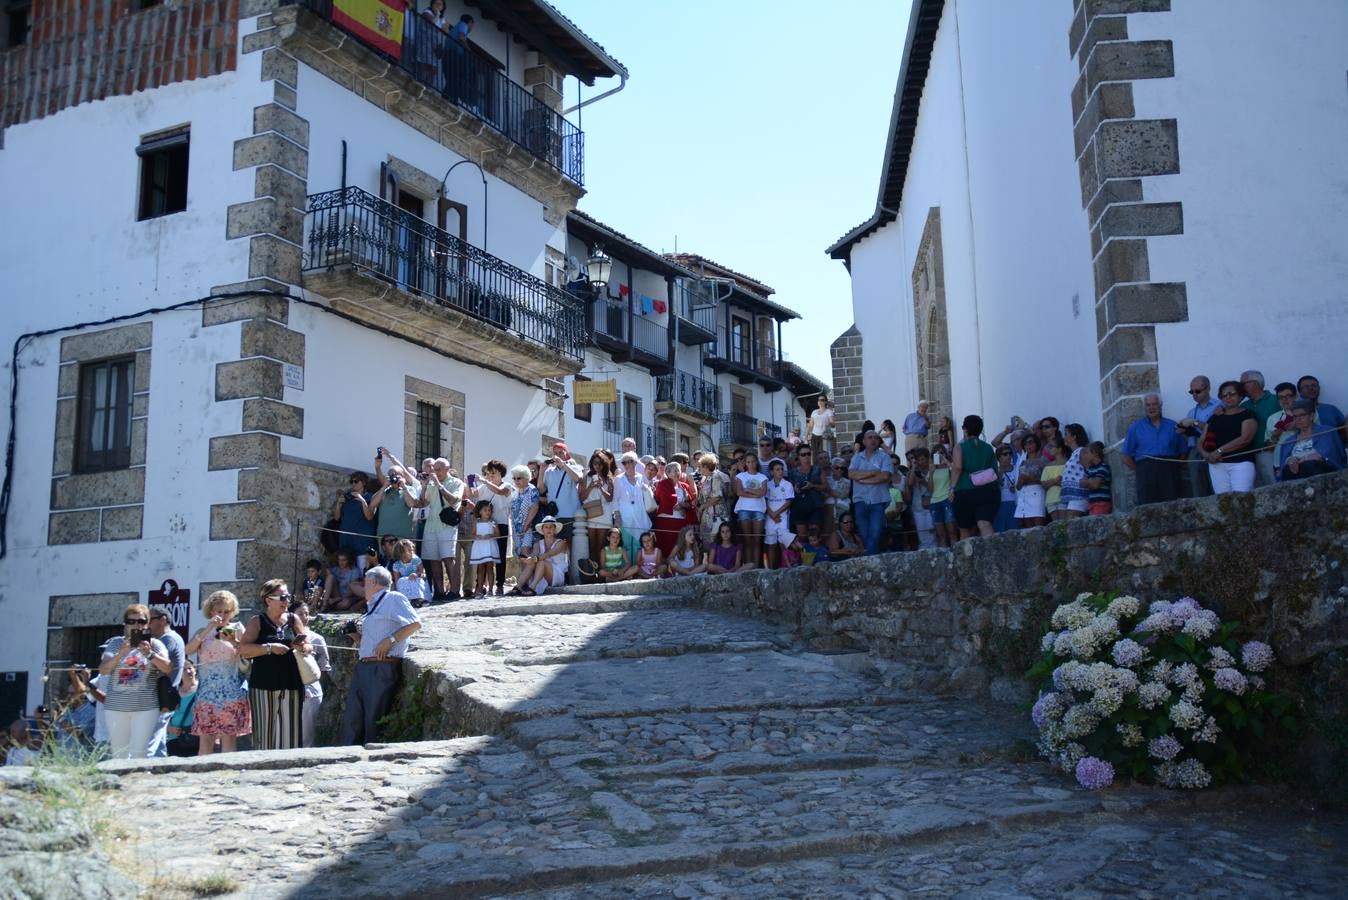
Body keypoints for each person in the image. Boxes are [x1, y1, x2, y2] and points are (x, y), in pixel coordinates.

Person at [340, 567, 421, 746]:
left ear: (374, 583)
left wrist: (391, 640)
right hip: (365, 666)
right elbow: (370, 643)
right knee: (353, 719)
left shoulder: (393, 598)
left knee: (373, 720)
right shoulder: (371, 606)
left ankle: (371, 762)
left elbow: (415, 624)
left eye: (365, 583)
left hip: (382, 667)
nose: (363, 587)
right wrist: (355, 635)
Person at [239, 580, 311, 751]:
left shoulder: (294, 619)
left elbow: (308, 645)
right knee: (264, 735)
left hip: (291, 683)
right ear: (268, 600)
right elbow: (244, 649)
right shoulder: (257, 621)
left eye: (288, 596)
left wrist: (302, 647)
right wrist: (269, 648)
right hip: (263, 684)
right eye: (282, 597)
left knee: (291, 734)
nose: (287, 601)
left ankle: (290, 771)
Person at [99, 604, 172, 759]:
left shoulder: (155, 644)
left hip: (145, 707)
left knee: (140, 752)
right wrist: (121, 654)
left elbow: (167, 668)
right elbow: (103, 670)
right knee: (119, 753)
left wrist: (150, 654)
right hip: (116, 706)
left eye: (141, 621)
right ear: (125, 624)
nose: (136, 625)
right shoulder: (116, 643)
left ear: (147, 624)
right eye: (131, 621)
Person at [184, 590, 250, 756]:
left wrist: (233, 641)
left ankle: (228, 778)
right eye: (219, 611)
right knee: (206, 740)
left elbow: (247, 653)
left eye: (227, 611)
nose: (223, 615)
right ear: (211, 611)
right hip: (207, 693)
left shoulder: (237, 628)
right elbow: (188, 650)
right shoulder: (202, 631)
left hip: (231, 692)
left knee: (228, 740)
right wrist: (209, 629)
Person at [1121, 393, 1186, 505]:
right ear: (1144, 408)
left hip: (1169, 470)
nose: (1152, 407)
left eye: (1155, 404)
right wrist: (1141, 470)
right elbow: (1125, 456)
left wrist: (1174, 467)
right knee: (1147, 507)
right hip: (1145, 471)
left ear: (1160, 405)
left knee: (1171, 504)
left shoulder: (1173, 425)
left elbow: (1183, 451)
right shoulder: (1135, 428)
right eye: (1148, 405)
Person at [416, 458, 466, 603]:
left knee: (448, 559)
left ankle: (455, 590)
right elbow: (423, 503)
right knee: (433, 560)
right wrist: (425, 486)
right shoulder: (431, 483)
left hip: (447, 526)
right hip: (431, 525)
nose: (435, 472)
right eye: (434, 469)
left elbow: (454, 500)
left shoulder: (457, 483)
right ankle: (439, 591)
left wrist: (438, 485)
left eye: (438, 469)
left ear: (447, 468)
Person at [1199, 380, 1257, 494]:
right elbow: (1201, 440)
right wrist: (1206, 455)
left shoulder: (1248, 414)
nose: (1228, 397)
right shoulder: (1214, 417)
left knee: (1242, 498)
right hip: (1217, 465)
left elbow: (1245, 439)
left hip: (1241, 464)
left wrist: (1219, 451)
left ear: (1240, 396)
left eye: (1232, 394)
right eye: (1224, 395)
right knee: (1222, 501)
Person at [948, 415, 1000, 539]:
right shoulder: (988, 447)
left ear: (965, 429)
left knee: (964, 529)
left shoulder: (960, 447)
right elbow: (994, 469)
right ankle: (991, 554)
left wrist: (951, 488)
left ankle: (966, 557)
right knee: (985, 524)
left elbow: (958, 467)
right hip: (988, 490)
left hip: (965, 490)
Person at [145, 604, 185, 757]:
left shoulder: (167, 639)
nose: (146, 624)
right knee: (159, 742)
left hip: (161, 696)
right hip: (164, 696)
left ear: (163, 620)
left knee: (149, 742)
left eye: (149, 620)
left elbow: (160, 666)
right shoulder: (172, 638)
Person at [291, 600, 330, 749]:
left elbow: (324, 667)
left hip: (310, 690)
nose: (304, 617)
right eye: (300, 613)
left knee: (307, 735)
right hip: (288, 689)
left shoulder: (316, 638)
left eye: (306, 613)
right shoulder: (283, 635)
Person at [848, 430, 894, 555]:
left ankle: (870, 559)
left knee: (875, 533)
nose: (873, 440)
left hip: (877, 501)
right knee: (864, 533)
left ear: (879, 441)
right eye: (869, 437)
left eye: (875, 437)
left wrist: (863, 479)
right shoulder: (856, 457)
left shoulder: (884, 457)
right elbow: (851, 474)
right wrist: (872, 473)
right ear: (864, 441)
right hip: (860, 501)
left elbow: (884, 476)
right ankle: (873, 558)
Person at [1278, 399, 1346, 480]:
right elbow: (1283, 466)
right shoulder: (1288, 441)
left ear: (1311, 416)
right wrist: (1289, 460)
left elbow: (1333, 455)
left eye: (1302, 415)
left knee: (1310, 465)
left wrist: (1309, 457)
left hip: (1321, 472)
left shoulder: (1327, 432)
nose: (1298, 419)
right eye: (1295, 416)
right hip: (1296, 475)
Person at [475, 460, 515, 596]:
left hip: (501, 524)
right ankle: (480, 586)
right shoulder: (485, 487)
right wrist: (469, 484)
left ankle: (499, 585)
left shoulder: (507, 485)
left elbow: (500, 491)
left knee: (500, 556)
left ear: (500, 474)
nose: (490, 475)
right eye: (489, 473)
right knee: (484, 556)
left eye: (493, 473)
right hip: (485, 525)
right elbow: (472, 495)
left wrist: (485, 481)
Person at [1178, 376, 1221, 498]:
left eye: (1197, 391)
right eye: (1191, 392)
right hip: (1195, 451)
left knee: (1216, 485)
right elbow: (1189, 439)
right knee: (1197, 488)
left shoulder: (1219, 405)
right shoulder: (1191, 412)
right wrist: (1183, 431)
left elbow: (1217, 430)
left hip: (1213, 448)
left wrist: (1195, 422)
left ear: (1207, 389)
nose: (1194, 394)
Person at [1237, 371, 1281, 487]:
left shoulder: (1276, 400)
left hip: (1271, 452)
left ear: (1256, 383)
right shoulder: (1243, 406)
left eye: (1243, 383)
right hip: (1249, 455)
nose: (1240, 387)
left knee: (1274, 486)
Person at [371, 448, 421, 542]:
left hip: (402, 537)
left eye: (396, 475)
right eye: (391, 475)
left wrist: (403, 486)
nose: (393, 477)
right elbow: (373, 504)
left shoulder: (410, 489)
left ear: (403, 476)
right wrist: (384, 487)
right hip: (384, 537)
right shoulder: (385, 490)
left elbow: (411, 504)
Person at [579, 453, 614, 581]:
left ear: (604, 464)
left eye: (599, 463)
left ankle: (601, 574)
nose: (597, 466)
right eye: (594, 463)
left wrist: (601, 487)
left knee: (601, 545)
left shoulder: (609, 478)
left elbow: (610, 498)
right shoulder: (586, 478)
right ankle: (592, 574)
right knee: (591, 546)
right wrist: (591, 486)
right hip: (591, 514)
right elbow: (582, 497)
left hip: (604, 515)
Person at [333, 471, 377, 570]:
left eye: (356, 481)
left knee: (363, 572)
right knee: (347, 573)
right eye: (351, 481)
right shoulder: (347, 497)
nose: (353, 484)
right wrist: (338, 504)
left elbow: (369, 517)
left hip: (362, 543)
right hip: (346, 542)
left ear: (364, 483)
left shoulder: (371, 497)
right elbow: (336, 518)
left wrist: (362, 500)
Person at [611, 452, 651, 561]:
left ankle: (638, 570)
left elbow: (648, 495)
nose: (627, 465)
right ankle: (627, 571)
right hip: (625, 517)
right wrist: (617, 516)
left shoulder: (642, 478)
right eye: (625, 462)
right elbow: (615, 499)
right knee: (627, 546)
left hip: (640, 516)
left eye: (630, 462)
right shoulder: (618, 479)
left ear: (635, 463)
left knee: (639, 545)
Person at [734, 453, 769, 568]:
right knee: (747, 540)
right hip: (744, 509)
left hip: (759, 510)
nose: (750, 464)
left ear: (756, 462)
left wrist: (748, 490)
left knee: (757, 540)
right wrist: (755, 493)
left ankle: (757, 566)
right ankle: (749, 567)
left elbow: (763, 493)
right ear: (745, 463)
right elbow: (739, 492)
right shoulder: (741, 476)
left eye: (753, 461)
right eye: (748, 462)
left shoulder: (762, 477)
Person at [652, 460, 693, 557]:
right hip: (665, 520)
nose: (677, 473)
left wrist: (682, 505)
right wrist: (676, 504)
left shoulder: (684, 486)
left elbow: (690, 504)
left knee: (678, 545)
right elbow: (660, 499)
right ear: (667, 473)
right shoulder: (662, 484)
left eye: (678, 470)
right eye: (674, 471)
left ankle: (677, 568)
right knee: (665, 546)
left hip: (680, 521)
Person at [519, 517, 569, 595]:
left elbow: (550, 553)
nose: (549, 529)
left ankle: (532, 588)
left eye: (551, 527)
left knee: (541, 561)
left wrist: (535, 558)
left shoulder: (561, 543)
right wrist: (528, 558)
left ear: (555, 530)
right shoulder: (537, 544)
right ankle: (518, 587)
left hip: (558, 575)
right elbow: (535, 554)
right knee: (532, 563)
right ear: (542, 530)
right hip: (542, 576)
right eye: (546, 527)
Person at [762, 458, 796, 569]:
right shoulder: (767, 484)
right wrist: (772, 515)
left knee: (783, 544)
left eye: (781, 469)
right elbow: (765, 501)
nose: (780, 471)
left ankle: (786, 567)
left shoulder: (787, 485)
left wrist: (776, 513)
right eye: (777, 469)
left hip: (782, 519)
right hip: (770, 519)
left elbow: (788, 502)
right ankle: (771, 569)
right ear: (771, 472)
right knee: (771, 545)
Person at [1298, 374, 1347, 444]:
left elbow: (1344, 430)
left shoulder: (1331, 409)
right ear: (1299, 392)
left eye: (1314, 385)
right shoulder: (1295, 413)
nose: (1311, 388)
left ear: (1319, 388)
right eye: (1306, 387)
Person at [1055, 424, 1091, 521]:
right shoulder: (1073, 453)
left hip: (1078, 495)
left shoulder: (1082, 451)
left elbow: (1089, 470)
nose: (1064, 437)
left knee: (1071, 522)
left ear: (1074, 436)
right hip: (1070, 495)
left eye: (1066, 434)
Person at [904, 447, 937, 549]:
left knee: (933, 534)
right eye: (918, 459)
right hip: (918, 507)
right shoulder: (913, 472)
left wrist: (923, 480)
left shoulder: (933, 470)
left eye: (922, 459)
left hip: (932, 505)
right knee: (922, 536)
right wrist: (914, 468)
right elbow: (910, 483)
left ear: (928, 458)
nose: (920, 462)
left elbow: (931, 488)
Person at [1265, 381, 1300, 477]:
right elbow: (1269, 447)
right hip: (1281, 462)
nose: (1284, 400)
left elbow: (1318, 432)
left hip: (1305, 457)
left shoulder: (1309, 412)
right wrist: (1275, 436)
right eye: (1281, 397)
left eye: (1288, 396)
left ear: (1295, 396)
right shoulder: (1272, 418)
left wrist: (1299, 426)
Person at [1014, 433, 1048, 528]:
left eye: (1030, 443)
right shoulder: (1023, 463)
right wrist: (1021, 481)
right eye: (1025, 444)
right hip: (1024, 493)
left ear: (1037, 444)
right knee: (1027, 524)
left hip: (1037, 493)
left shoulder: (1043, 460)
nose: (1028, 446)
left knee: (1038, 523)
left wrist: (1030, 479)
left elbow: (1046, 480)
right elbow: (1018, 486)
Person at [164, 663, 198, 758]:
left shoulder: (202, 690)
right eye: (183, 670)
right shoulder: (173, 691)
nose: (188, 671)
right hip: (175, 739)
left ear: (195, 670)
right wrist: (169, 728)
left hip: (197, 738)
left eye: (190, 668)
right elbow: (163, 716)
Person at [468, 499, 499, 598]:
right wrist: (477, 537)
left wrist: (490, 535)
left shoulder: (493, 522)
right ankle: (480, 589)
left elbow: (498, 534)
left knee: (490, 567)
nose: (488, 512)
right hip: (480, 547)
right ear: (480, 511)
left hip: (490, 546)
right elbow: (472, 534)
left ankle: (490, 590)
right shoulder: (476, 522)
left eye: (489, 510)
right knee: (480, 568)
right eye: (485, 510)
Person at [695, 453, 730, 543]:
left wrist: (702, 507)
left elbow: (717, 497)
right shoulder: (705, 478)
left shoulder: (716, 477)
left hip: (717, 514)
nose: (699, 468)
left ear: (706, 466)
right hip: (708, 515)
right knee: (707, 542)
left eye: (700, 466)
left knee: (717, 541)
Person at [928, 445, 957, 547]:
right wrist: (931, 473)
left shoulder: (949, 467)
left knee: (952, 532)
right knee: (941, 534)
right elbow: (930, 490)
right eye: (937, 453)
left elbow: (956, 472)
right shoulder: (931, 469)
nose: (939, 455)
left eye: (941, 452)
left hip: (947, 500)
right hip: (935, 502)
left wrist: (946, 461)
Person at [391, 538, 428, 607]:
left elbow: (423, 575)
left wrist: (417, 574)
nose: (412, 552)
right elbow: (397, 581)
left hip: (417, 582)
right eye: (409, 550)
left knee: (417, 580)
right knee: (401, 581)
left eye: (412, 550)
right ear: (401, 553)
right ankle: (406, 599)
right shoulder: (396, 565)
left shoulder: (416, 560)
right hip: (406, 585)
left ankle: (419, 598)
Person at [1082, 442, 1114, 515]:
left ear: (1095, 453)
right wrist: (1090, 482)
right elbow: (1081, 483)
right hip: (1092, 503)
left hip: (1101, 503)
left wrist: (1089, 481)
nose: (1086, 455)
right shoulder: (1089, 469)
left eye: (1088, 453)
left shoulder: (1103, 467)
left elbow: (1096, 485)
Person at [993, 446, 1018, 533]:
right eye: (1005, 454)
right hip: (1001, 504)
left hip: (1015, 502)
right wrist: (1001, 471)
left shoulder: (1017, 468)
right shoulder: (995, 471)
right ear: (999, 457)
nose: (1009, 456)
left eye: (1010, 453)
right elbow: (995, 487)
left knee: (1015, 531)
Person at [1041, 436, 1067, 519]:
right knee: (1055, 526)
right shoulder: (1048, 465)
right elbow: (1043, 484)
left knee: (1063, 524)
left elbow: (1066, 482)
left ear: (1059, 449)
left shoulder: (1068, 463)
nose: (1050, 449)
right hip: (1050, 499)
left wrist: (1051, 482)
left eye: (1052, 447)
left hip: (1063, 497)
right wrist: (1056, 480)